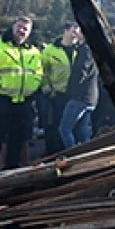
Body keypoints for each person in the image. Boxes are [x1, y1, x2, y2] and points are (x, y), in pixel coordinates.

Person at [0, 16, 43, 172]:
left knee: (18, 135)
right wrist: (0, 83)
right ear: (12, 26)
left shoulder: (33, 51)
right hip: (0, 96)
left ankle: (12, 167)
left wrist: (32, 87)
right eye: (19, 27)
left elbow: (38, 72)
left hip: (23, 98)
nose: (21, 31)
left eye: (25, 29)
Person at [40, 23, 81, 155]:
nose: (76, 34)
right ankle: (52, 151)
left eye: (78, 31)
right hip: (56, 94)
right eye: (74, 30)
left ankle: (67, 151)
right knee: (54, 124)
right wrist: (48, 90)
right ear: (65, 31)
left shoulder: (80, 49)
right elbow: (43, 72)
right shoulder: (50, 50)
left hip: (74, 95)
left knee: (71, 126)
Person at [58, 33, 98, 150]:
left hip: (80, 97)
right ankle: (87, 155)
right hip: (91, 98)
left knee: (65, 129)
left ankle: (73, 154)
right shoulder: (92, 49)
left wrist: (70, 89)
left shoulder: (85, 50)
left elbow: (81, 72)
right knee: (82, 131)